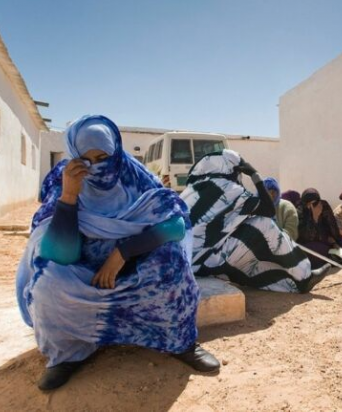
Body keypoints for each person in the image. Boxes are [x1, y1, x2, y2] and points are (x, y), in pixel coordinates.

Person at [16, 115, 219, 391]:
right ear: (74, 157)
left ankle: (180, 342)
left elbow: (175, 226)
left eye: (103, 157)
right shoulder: (64, 182)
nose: (97, 167)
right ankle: (67, 355)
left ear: (116, 151)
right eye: (86, 160)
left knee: (171, 261)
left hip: (134, 264)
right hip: (83, 271)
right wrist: (70, 197)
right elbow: (60, 254)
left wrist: (122, 253)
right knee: (48, 282)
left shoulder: (136, 177)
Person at [180, 150, 329, 292]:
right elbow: (268, 211)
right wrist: (254, 175)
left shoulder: (190, 191)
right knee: (263, 224)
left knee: (249, 257)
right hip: (205, 261)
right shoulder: (228, 188)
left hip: (188, 263)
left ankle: (292, 284)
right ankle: (304, 277)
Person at [296, 188, 342, 267]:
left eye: (314, 203)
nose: (311, 206)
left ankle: (335, 256)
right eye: (308, 203)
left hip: (326, 241)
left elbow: (331, 227)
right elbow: (306, 237)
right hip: (310, 244)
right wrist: (315, 217)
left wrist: (334, 243)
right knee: (315, 250)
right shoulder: (300, 210)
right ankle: (334, 258)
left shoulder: (323, 205)